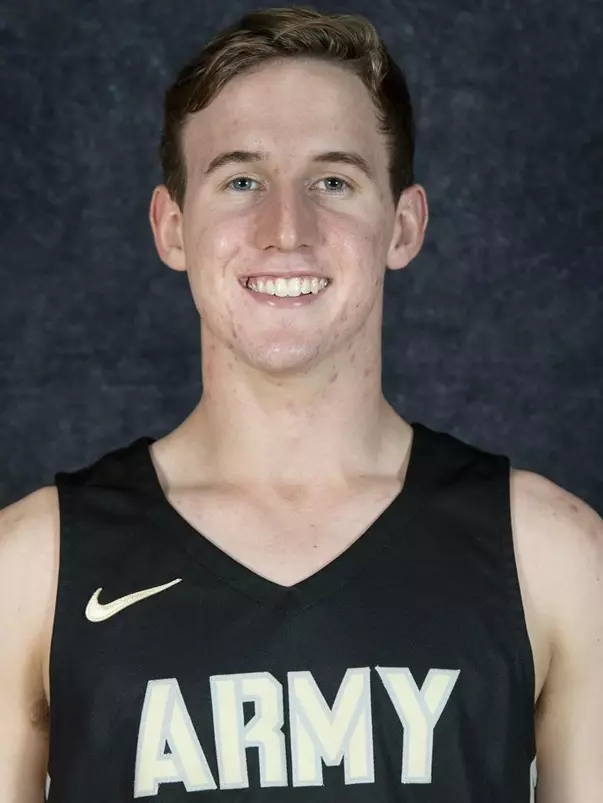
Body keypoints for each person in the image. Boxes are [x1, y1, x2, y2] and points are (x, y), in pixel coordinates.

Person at [1, 5, 601, 802]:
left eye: (333, 181)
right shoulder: (32, 566)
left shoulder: (553, 554)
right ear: (173, 227)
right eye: (242, 180)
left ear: (402, 224)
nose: (287, 229)